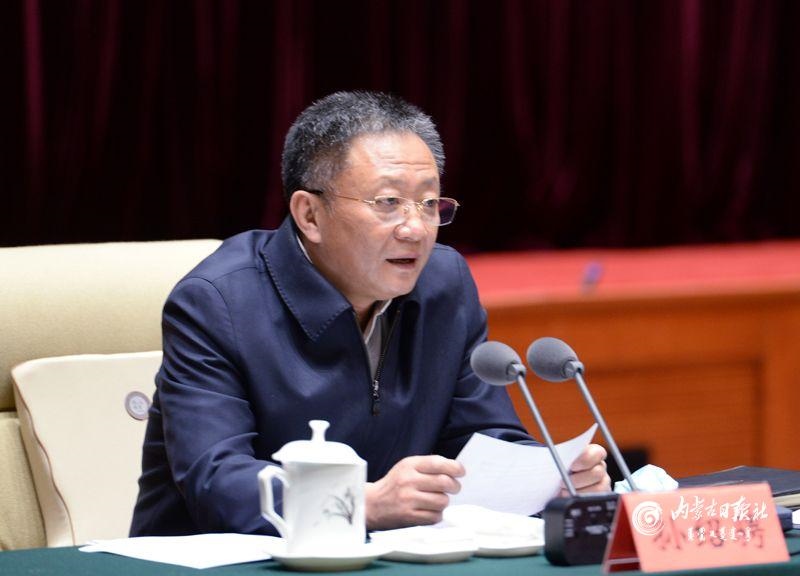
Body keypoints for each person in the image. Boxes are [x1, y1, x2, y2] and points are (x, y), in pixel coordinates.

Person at [130, 91, 610, 537]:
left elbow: (481, 437)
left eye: (428, 203)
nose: (415, 229)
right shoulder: (217, 302)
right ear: (309, 214)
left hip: (384, 556)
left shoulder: (444, 284)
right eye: (388, 203)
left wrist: (546, 480)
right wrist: (361, 503)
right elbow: (217, 480)